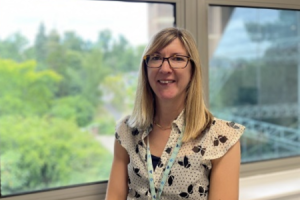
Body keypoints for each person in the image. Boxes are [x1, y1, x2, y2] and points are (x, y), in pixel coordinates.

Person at [105, 27, 245, 200]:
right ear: (145, 68)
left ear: (192, 70)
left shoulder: (222, 138)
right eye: (156, 58)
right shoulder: (127, 131)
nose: (165, 68)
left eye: (177, 59)